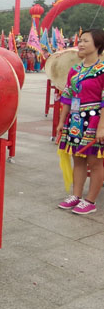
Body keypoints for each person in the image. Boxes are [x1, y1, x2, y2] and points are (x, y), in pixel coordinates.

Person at [57, 29, 104, 215]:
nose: (81, 44)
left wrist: (101, 127)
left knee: (95, 162)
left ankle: (90, 201)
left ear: (98, 45)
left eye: (85, 41)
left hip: (95, 120)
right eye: (80, 41)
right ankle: (76, 195)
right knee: (78, 159)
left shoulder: (102, 70)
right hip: (75, 120)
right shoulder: (75, 70)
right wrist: (62, 122)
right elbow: (67, 97)